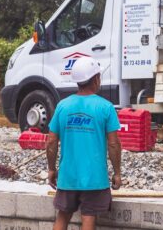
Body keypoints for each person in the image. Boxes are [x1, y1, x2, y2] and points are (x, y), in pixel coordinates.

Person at [46, 57, 122, 230]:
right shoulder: (106, 107)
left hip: (67, 176)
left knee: (63, 216)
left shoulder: (62, 106)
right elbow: (114, 144)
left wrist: (51, 169)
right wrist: (117, 173)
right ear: (96, 79)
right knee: (89, 217)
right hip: (94, 179)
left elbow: (51, 142)